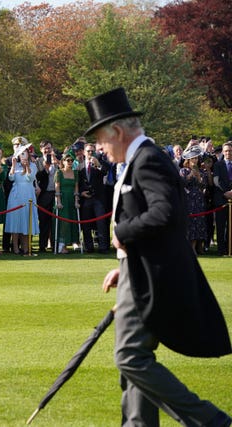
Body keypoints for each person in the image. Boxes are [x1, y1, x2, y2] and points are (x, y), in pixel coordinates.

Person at [85, 87, 231, 426]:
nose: (101, 150)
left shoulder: (149, 159)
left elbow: (166, 213)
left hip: (152, 277)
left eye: (102, 141)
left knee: (130, 358)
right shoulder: (139, 159)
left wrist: (122, 234)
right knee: (134, 359)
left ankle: (211, 421)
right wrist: (125, 263)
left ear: (118, 132)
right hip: (138, 271)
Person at [5, 142, 40, 255]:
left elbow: (30, 178)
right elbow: (11, 178)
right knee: (16, 221)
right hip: (16, 195)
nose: (23, 156)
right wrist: (14, 165)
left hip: (28, 194)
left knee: (27, 220)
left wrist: (27, 166)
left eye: (24, 153)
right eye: (21, 154)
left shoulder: (33, 166)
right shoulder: (16, 166)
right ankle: (15, 247)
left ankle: (26, 247)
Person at [79, 142, 110, 253]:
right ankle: (89, 247)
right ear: (84, 152)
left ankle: (103, 247)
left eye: (92, 151)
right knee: (86, 224)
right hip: (86, 198)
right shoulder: (79, 165)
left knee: (101, 223)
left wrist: (98, 165)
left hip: (98, 198)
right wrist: (81, 193)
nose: (90, 153)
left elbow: (105, 172)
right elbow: (78, 182)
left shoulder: (100, 163)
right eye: (88, 151)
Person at [179, 145, 208, 252]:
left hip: (199, 200)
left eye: (196, 158)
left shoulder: (201, 171)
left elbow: (204, 187)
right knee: (189, 224)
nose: (195, 160)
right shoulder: (183, 171)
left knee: (198, 223)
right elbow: (182, 184)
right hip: (188, 200)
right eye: (193, 158)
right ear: (189, 160)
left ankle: (195, 247)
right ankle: (188, 248)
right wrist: (191, 174)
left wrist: (199, 177)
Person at [54, 151, 80, 254]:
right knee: (64, 222)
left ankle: (73, 242)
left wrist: (77, 201)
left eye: (71, 160)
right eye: (68, 160)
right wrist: (59, 202)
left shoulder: (76, 173)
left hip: (72, 200)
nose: (70, 162)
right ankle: (61, 245)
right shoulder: (59, 172)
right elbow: (57, 188)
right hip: (63, 199)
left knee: (72, 221)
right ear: (63, 161)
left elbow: (76, 189)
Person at [35, 140, 56, 253]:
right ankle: (42, 246)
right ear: (41, 149)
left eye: (49, 148)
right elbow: (37, 177)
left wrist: (55, 162)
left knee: (55, 221)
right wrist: (45, 169)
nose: (47, 150)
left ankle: (55, 245)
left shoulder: (56, 160)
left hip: (56, 193)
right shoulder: (38, 161)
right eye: (45, 148)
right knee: (43, 221)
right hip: (44, 194)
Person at [212, 141, 232, 256]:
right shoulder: (218, 165)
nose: (228, 153)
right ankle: (221, 250)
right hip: (221, 200)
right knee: (220, 226)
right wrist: (226, 192)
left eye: (230, 151)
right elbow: (216, 181)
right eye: (226, 151)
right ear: (223, 153)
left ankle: (230, 249)